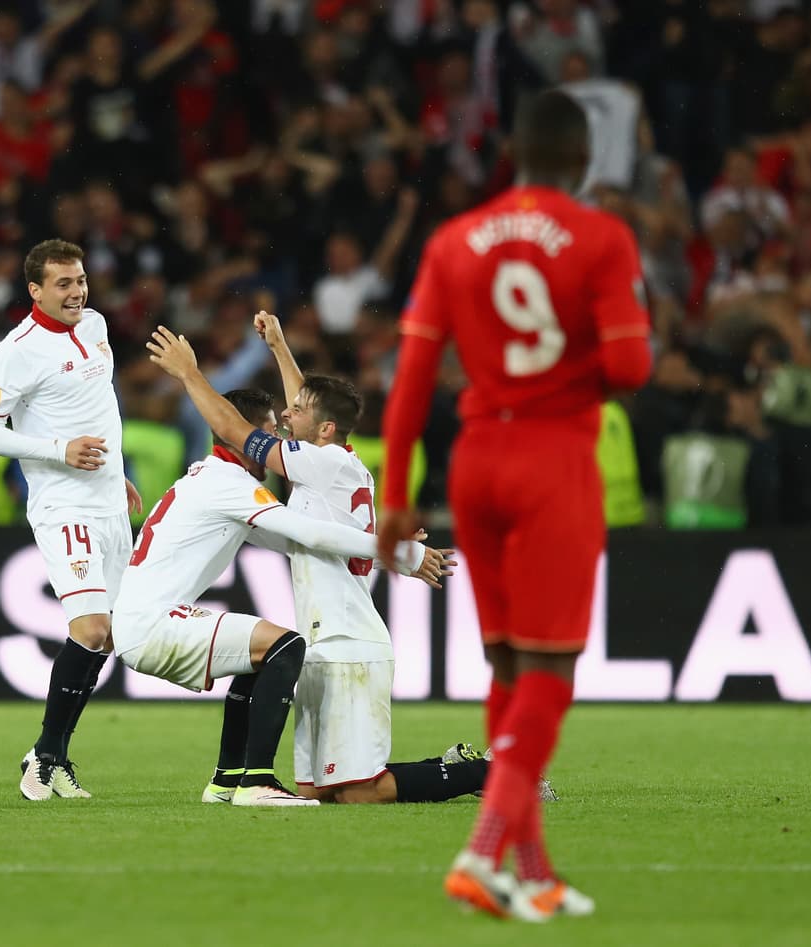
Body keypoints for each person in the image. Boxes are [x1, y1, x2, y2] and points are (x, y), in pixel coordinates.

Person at [379, 90, 653, 920]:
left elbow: (414, 374)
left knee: (505, 668)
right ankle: (484, 847)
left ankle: (530, 869)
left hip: (475, 459)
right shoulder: (602, 237)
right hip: (553, 457)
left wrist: (395, 494)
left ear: (513, 152)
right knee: (551, 672)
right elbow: (634, 368)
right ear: (582, 159)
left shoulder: (453, 239)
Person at [149, 314, 492, 806]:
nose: (287, 415)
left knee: (359, 794)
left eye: (300, 411)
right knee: (319, 791)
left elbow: (230, 428)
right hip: (320, 642)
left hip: (350, 641)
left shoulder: (324, 462)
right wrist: (281, 348)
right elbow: (303, 409)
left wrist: (188, 373)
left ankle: (484, 774)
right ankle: (450, 767)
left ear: (325, 428)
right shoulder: (329, 467)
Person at [112, 375, 435, 807]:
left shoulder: (213, 478)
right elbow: (309, 533)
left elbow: (298, 542)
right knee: (286, 646)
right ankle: (257, 781)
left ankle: (227, 780)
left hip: (144, 621)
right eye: (270, 431)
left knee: (260, 653)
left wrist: (387, 555)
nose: (279, 437)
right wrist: (402, 551)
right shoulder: (232, 484)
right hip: (155, 623)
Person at [0, 238, 142, 801]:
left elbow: (99, 406)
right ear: (35, 290)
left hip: (110, 503)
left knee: (107, 638)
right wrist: (59, 449)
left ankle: (52, 756)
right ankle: (46, 756)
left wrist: (114, 472)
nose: (76, 293)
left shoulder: (94, 327)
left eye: (81, 281)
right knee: (90, 629)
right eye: (63, 284)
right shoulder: (15, 351)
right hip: (63, 505)